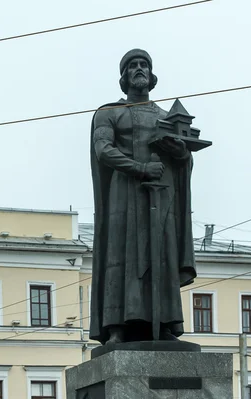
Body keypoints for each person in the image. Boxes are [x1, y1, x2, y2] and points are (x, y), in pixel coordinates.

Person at [89, 49, 197, 344]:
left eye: (144, 65)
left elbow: (184, 154)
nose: (139, 69)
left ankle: (164, 324)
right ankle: (116, 327)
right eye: (133, 66)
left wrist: (182, 154)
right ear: (123, 78)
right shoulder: (108, 113)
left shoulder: (166, 117)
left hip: (161, 198)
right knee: (120, 256)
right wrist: (140, 168)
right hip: (124, 196)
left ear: (152, 75)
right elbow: (103, 150)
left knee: (160, 256)